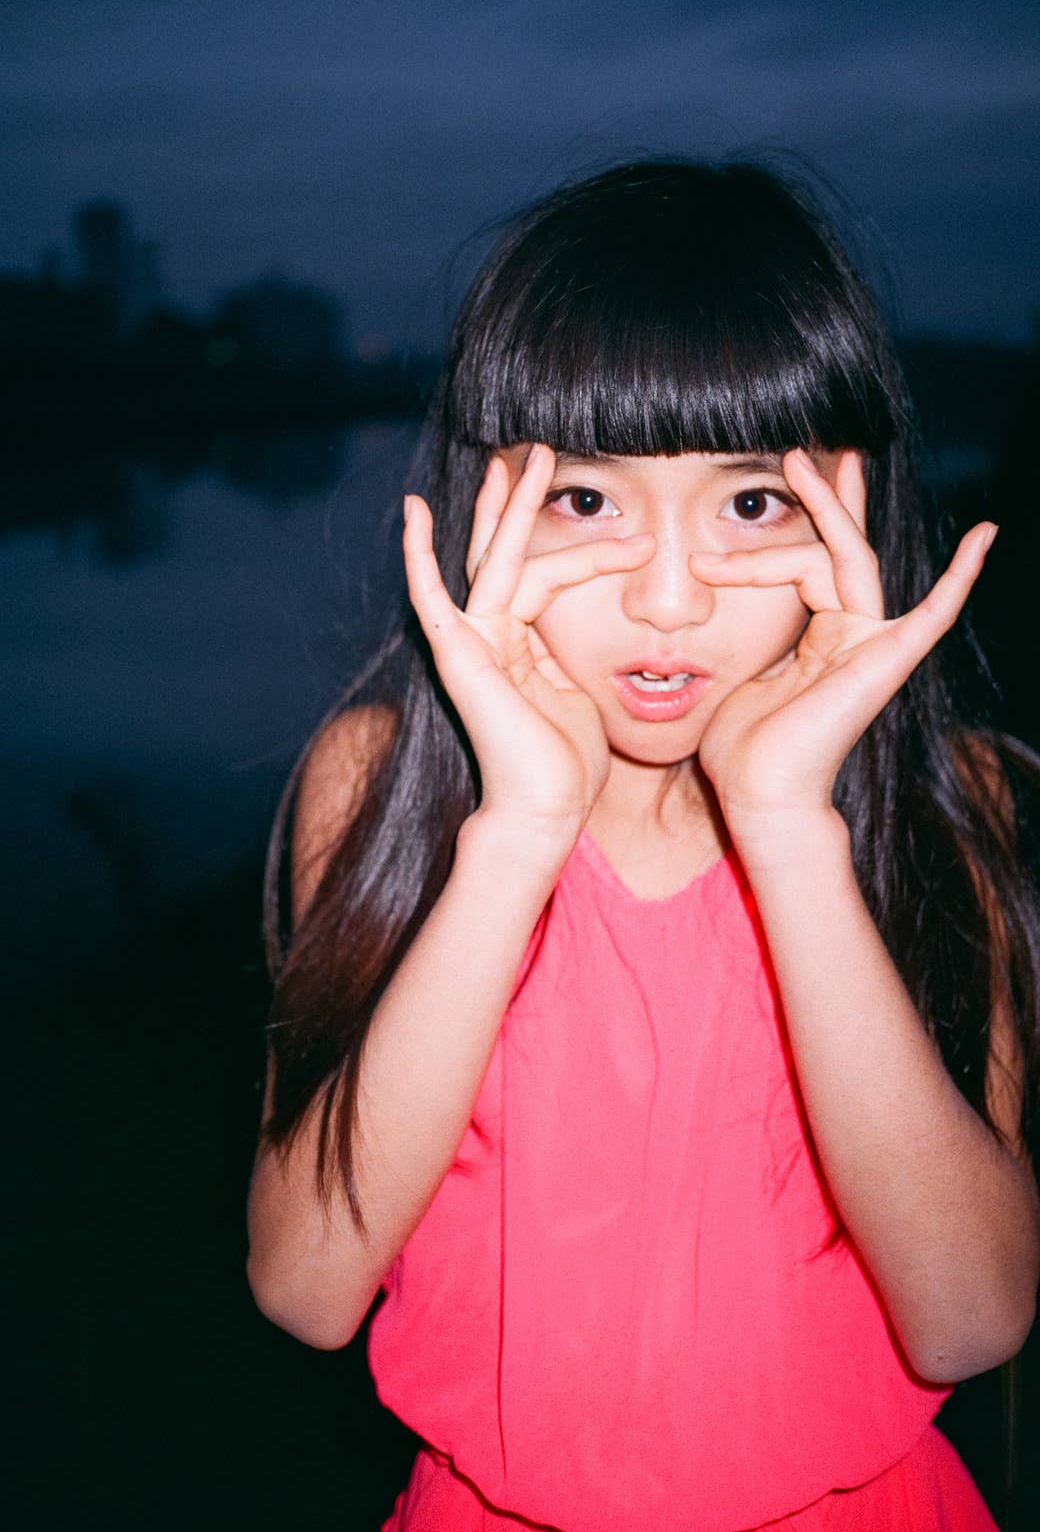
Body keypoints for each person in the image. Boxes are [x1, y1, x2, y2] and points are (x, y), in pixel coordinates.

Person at [246, 159, 1040, 1530]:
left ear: (842, 502)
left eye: (748, 505)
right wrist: (521, 831)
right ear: (492, 500)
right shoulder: (377, 786)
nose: (667, 603)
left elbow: (969, 1320)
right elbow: (308, 1287)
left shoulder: (946, 800)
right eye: (588, 502)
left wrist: (793, 830)